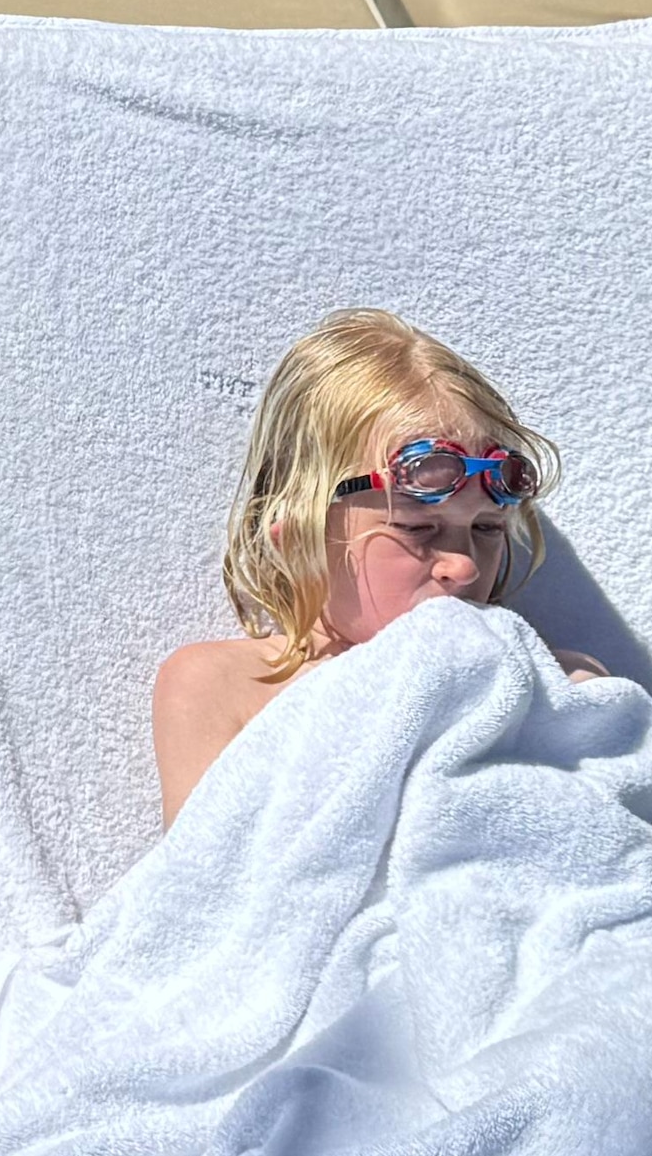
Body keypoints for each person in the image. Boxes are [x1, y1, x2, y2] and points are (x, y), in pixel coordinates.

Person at [153, 310, 598, 820]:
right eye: (417, 529)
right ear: (300, 538)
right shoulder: (223, 687)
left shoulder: (556, 682)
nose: (465, 566)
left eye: (486, 529)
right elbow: (199, 881)